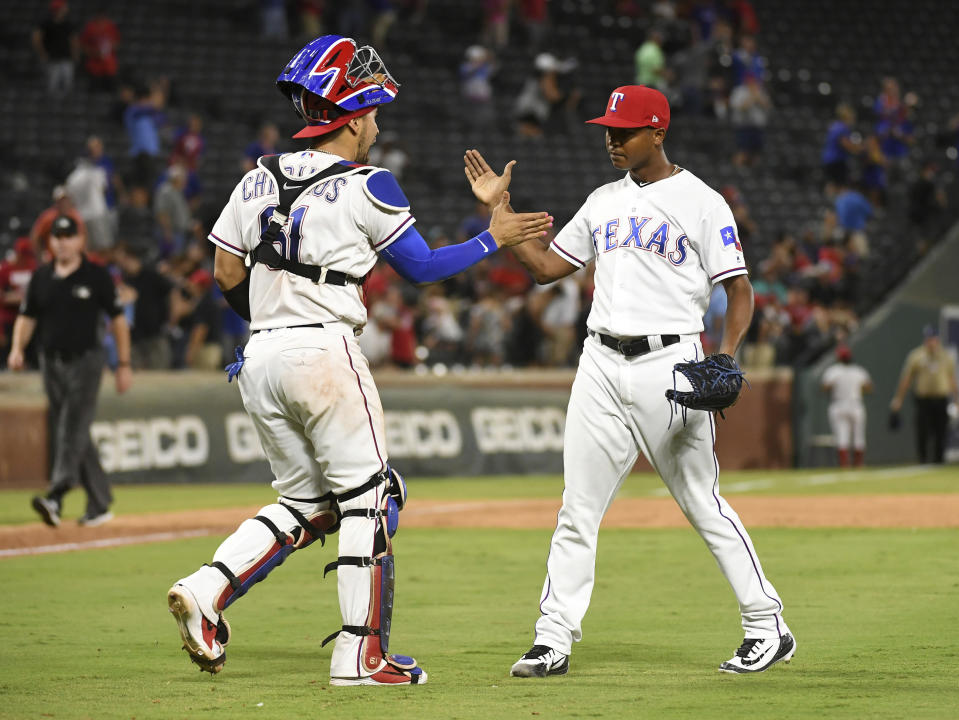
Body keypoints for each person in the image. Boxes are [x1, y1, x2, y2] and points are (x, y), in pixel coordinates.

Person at [166, 34, 551, 686]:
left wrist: (265, 321)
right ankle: (359, 655)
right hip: (324, 351)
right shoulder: (369, 184)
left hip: (258, 355)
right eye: (373, 115)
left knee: (302, 503)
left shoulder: (255, 177)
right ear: (353, 115)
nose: (376, 127)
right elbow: (424, 268)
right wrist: (494, 235)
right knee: (371, 499)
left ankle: (206, 589)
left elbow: (224, 267)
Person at [464, 84, 795, 677]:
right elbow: (544, 270)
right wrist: (501, 217)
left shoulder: (702, 201)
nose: (613, 140)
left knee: (701, 501)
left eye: (625, 130)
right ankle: (553, 638)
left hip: (670, 362)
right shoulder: (601, 201)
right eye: (608, 131)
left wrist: (727, 355)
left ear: (659, 132)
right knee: (577, 508)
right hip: (599, 362)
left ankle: (766, 623)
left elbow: (738, 289)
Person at [6, 215, 132, 528]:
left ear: (80, 240)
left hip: (87, 360)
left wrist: (123, 364)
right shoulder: (41, 277)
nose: (62, 241)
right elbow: (27, 316)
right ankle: (100, 503)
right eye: (57, 236)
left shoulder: (97, 275)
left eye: (68, 235)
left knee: (70, 425)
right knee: (74, 430)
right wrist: (17, 348)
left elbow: (118, 321)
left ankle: (56, 495)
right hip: (50, 362)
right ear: (50, 242)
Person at [890, 325, 959, 464]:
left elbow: (952, 380)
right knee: (923, 431)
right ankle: (923, 460)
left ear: (937, 339)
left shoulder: (946, 356)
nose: (930, 342)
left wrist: (957, 399)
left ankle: (938, 461)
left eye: (933, 338)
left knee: (941, 431)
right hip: (923, 399)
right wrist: (898, 399)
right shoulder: (916, 355)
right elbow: (907, 379)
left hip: (941, 399)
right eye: (928, 339)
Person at [821, 344, 873, 467]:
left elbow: (825, 387)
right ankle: (858, 464)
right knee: (858, 436)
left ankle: (845, 464)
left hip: (839, 404)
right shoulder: (858, 370)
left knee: (842, 436)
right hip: (854, 404)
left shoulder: (834, 371)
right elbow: (869, 387)